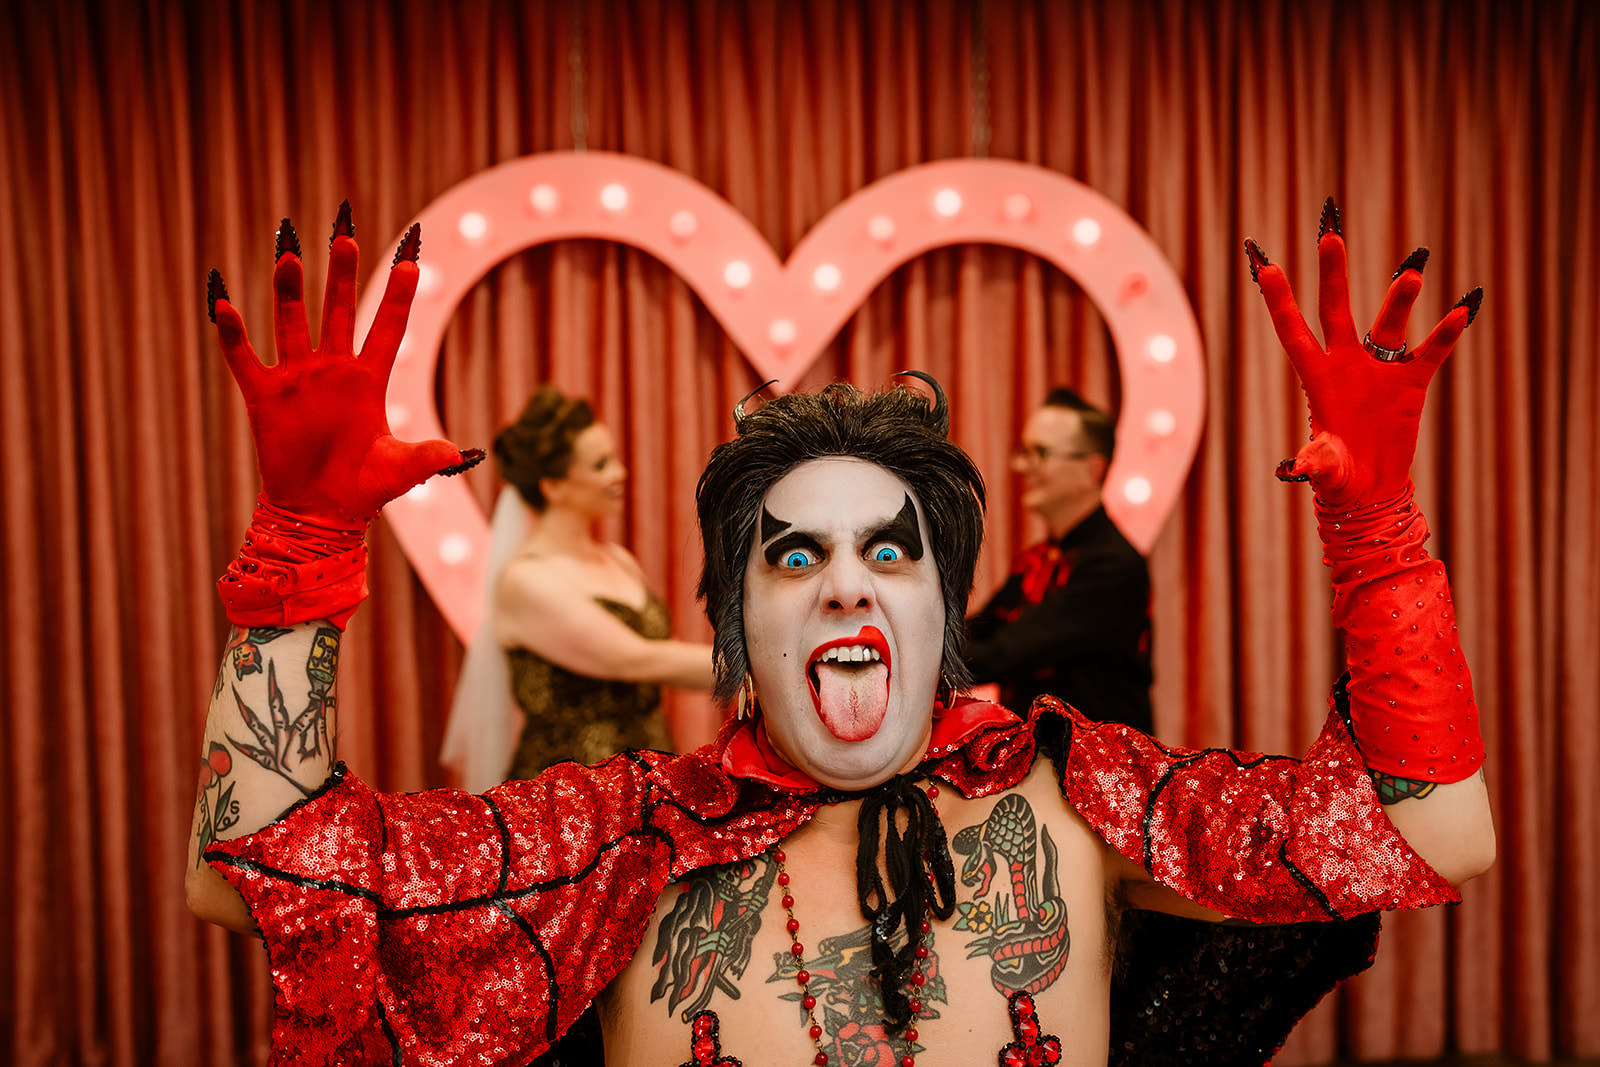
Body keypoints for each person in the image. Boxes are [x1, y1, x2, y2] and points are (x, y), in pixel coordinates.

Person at [185, 200, 1493, 1066]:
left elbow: (1436, 829)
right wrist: (300, 547)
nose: (847, 584)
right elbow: (256, 868)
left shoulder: (1083, 797)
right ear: (735, 627)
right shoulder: (625, 835)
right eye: (793, 553)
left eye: (892, 551)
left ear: (944, 615)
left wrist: (1379, 534)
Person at [440, 386, 717, 792]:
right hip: (570, 799)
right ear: (553, 486)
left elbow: (664, 656)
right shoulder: (526, 581)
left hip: (652, 776)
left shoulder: (619, 560)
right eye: (601, 465)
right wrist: (765, 669)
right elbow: (638, 660)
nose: (620, 473)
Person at [965, 389, 1153, 734]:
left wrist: (917, 660)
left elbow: (1003, 653)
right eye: (1023, 452)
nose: (1022, 466)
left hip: (1098, 772)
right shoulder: (1036, 560)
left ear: (1091, 470)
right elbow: (980, 630)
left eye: (1041, 453)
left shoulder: (1112, 567)